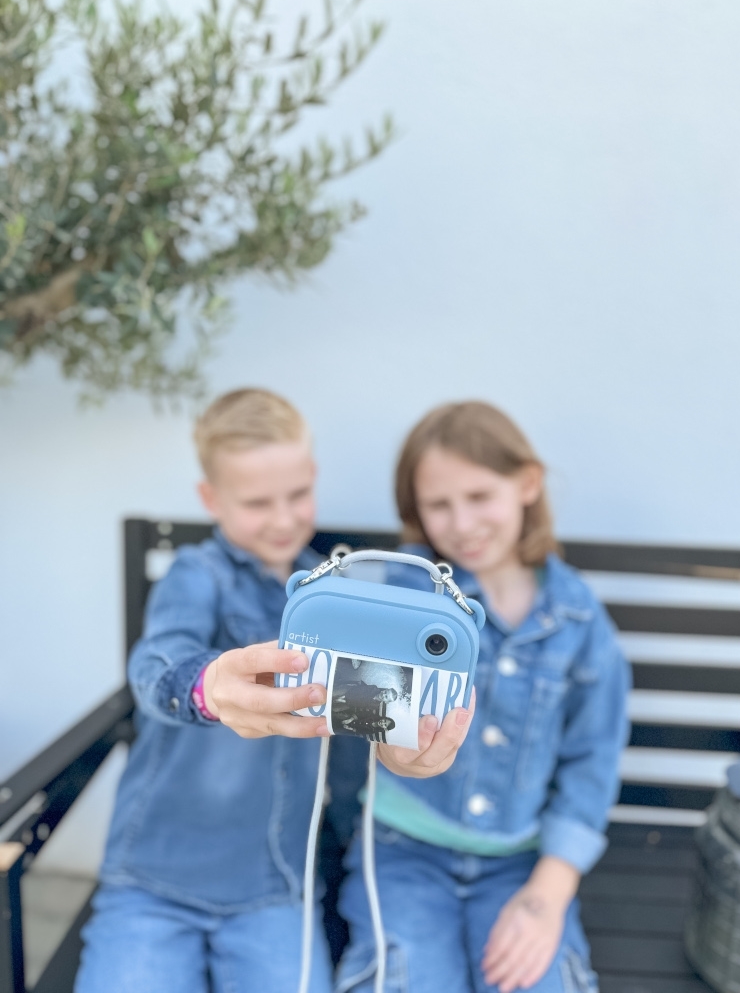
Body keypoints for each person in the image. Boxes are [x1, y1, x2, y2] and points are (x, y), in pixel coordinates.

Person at [75, 388, 474, 993]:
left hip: (277, 884)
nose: (284, 518)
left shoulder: (338, 593)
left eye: (297, 494)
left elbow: (363, 719)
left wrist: (398, 748)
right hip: (156, 878)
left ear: (313, 474)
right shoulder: (197, 575)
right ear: (211, 499)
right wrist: (205, 685)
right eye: (258, 502)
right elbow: (157, 663)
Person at [336, 401, 630, 993]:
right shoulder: (403, 590)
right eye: (439, 505)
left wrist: (547, 897)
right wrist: (395, 747)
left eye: (479, 496)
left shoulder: (578, 619)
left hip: (521, 865)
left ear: (527, 484)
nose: (462, 523)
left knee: (538, 979)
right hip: (402, 852)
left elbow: (591, 763)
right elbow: (366, 716)